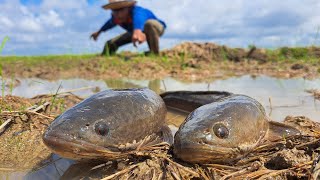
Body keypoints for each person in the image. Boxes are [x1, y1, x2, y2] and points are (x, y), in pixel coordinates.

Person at [90, 0, 166, 56]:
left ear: (129, 8)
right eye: (114, 11)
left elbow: (139, 18)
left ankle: (154, 53)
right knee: (110, 43)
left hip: (157, 28)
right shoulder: (115, 18)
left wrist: (138, 30)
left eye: (121, 10)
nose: (118, 14)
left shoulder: (138, 11)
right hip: (134, 32)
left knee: (149, 24)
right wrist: (99, 32)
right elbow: (108, 24)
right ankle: (106, 56)